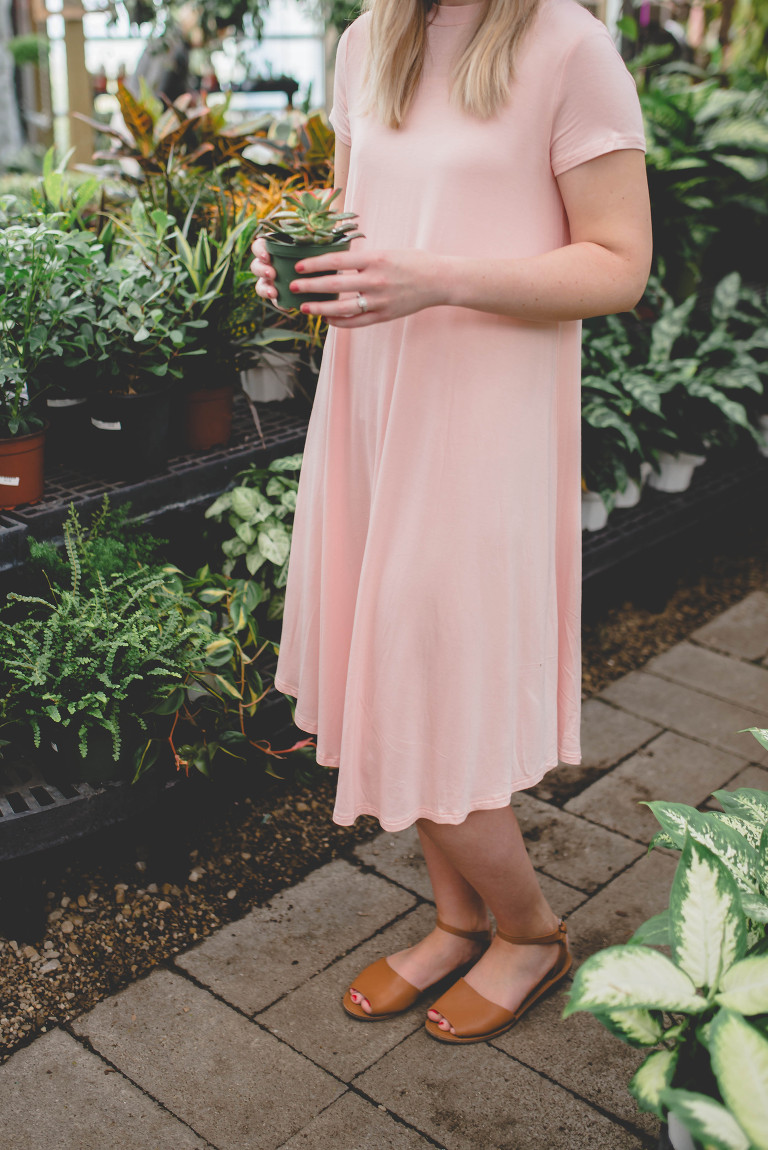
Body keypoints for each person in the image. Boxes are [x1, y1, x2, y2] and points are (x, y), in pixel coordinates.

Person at [250, 0, 651, 1044]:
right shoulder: (367, 40)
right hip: (374, 402)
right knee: (390, 667)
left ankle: (531, 932)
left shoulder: (568, 46)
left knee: (422, 669)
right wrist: (298, 265)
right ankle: (458, 921)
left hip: (483, 418)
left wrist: (435, 278)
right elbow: (359, 219)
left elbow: (620, 263)